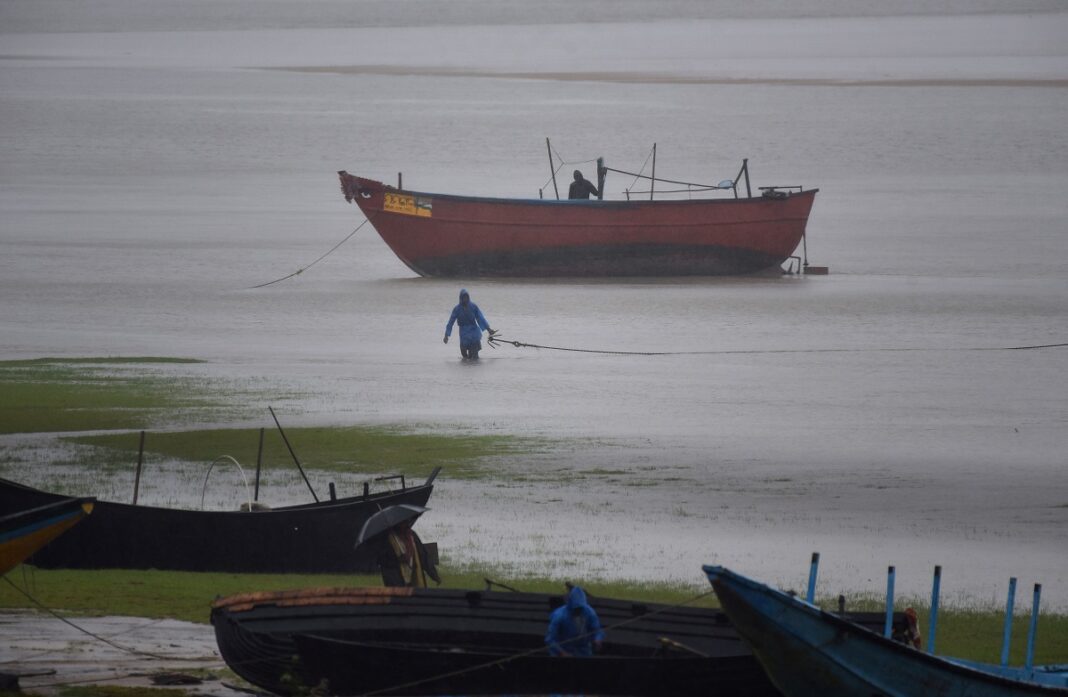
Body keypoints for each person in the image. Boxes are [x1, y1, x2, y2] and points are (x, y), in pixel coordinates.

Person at [545, 584, 604, 657]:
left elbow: (597, 630)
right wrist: (561, 652)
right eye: (576, 608)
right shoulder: (559, 616)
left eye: (581, 608)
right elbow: (550, 639)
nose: (578, 611)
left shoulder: (589, 612)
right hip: (563, 651)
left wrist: (598, 639)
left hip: (584, 652)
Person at [444, 288, 495, 360]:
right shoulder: (457, 309)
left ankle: (474, 365)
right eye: (463, 297)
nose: (465, 299)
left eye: (466, 297)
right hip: (463, 332)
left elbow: (480, 318)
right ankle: (467, 367)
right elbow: (450, 322)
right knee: (464, 354)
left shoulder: (473, 306)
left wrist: (488, 329)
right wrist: (446, 335)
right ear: (460, 298)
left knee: (474, 355)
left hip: (474, 331)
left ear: (468, 297)